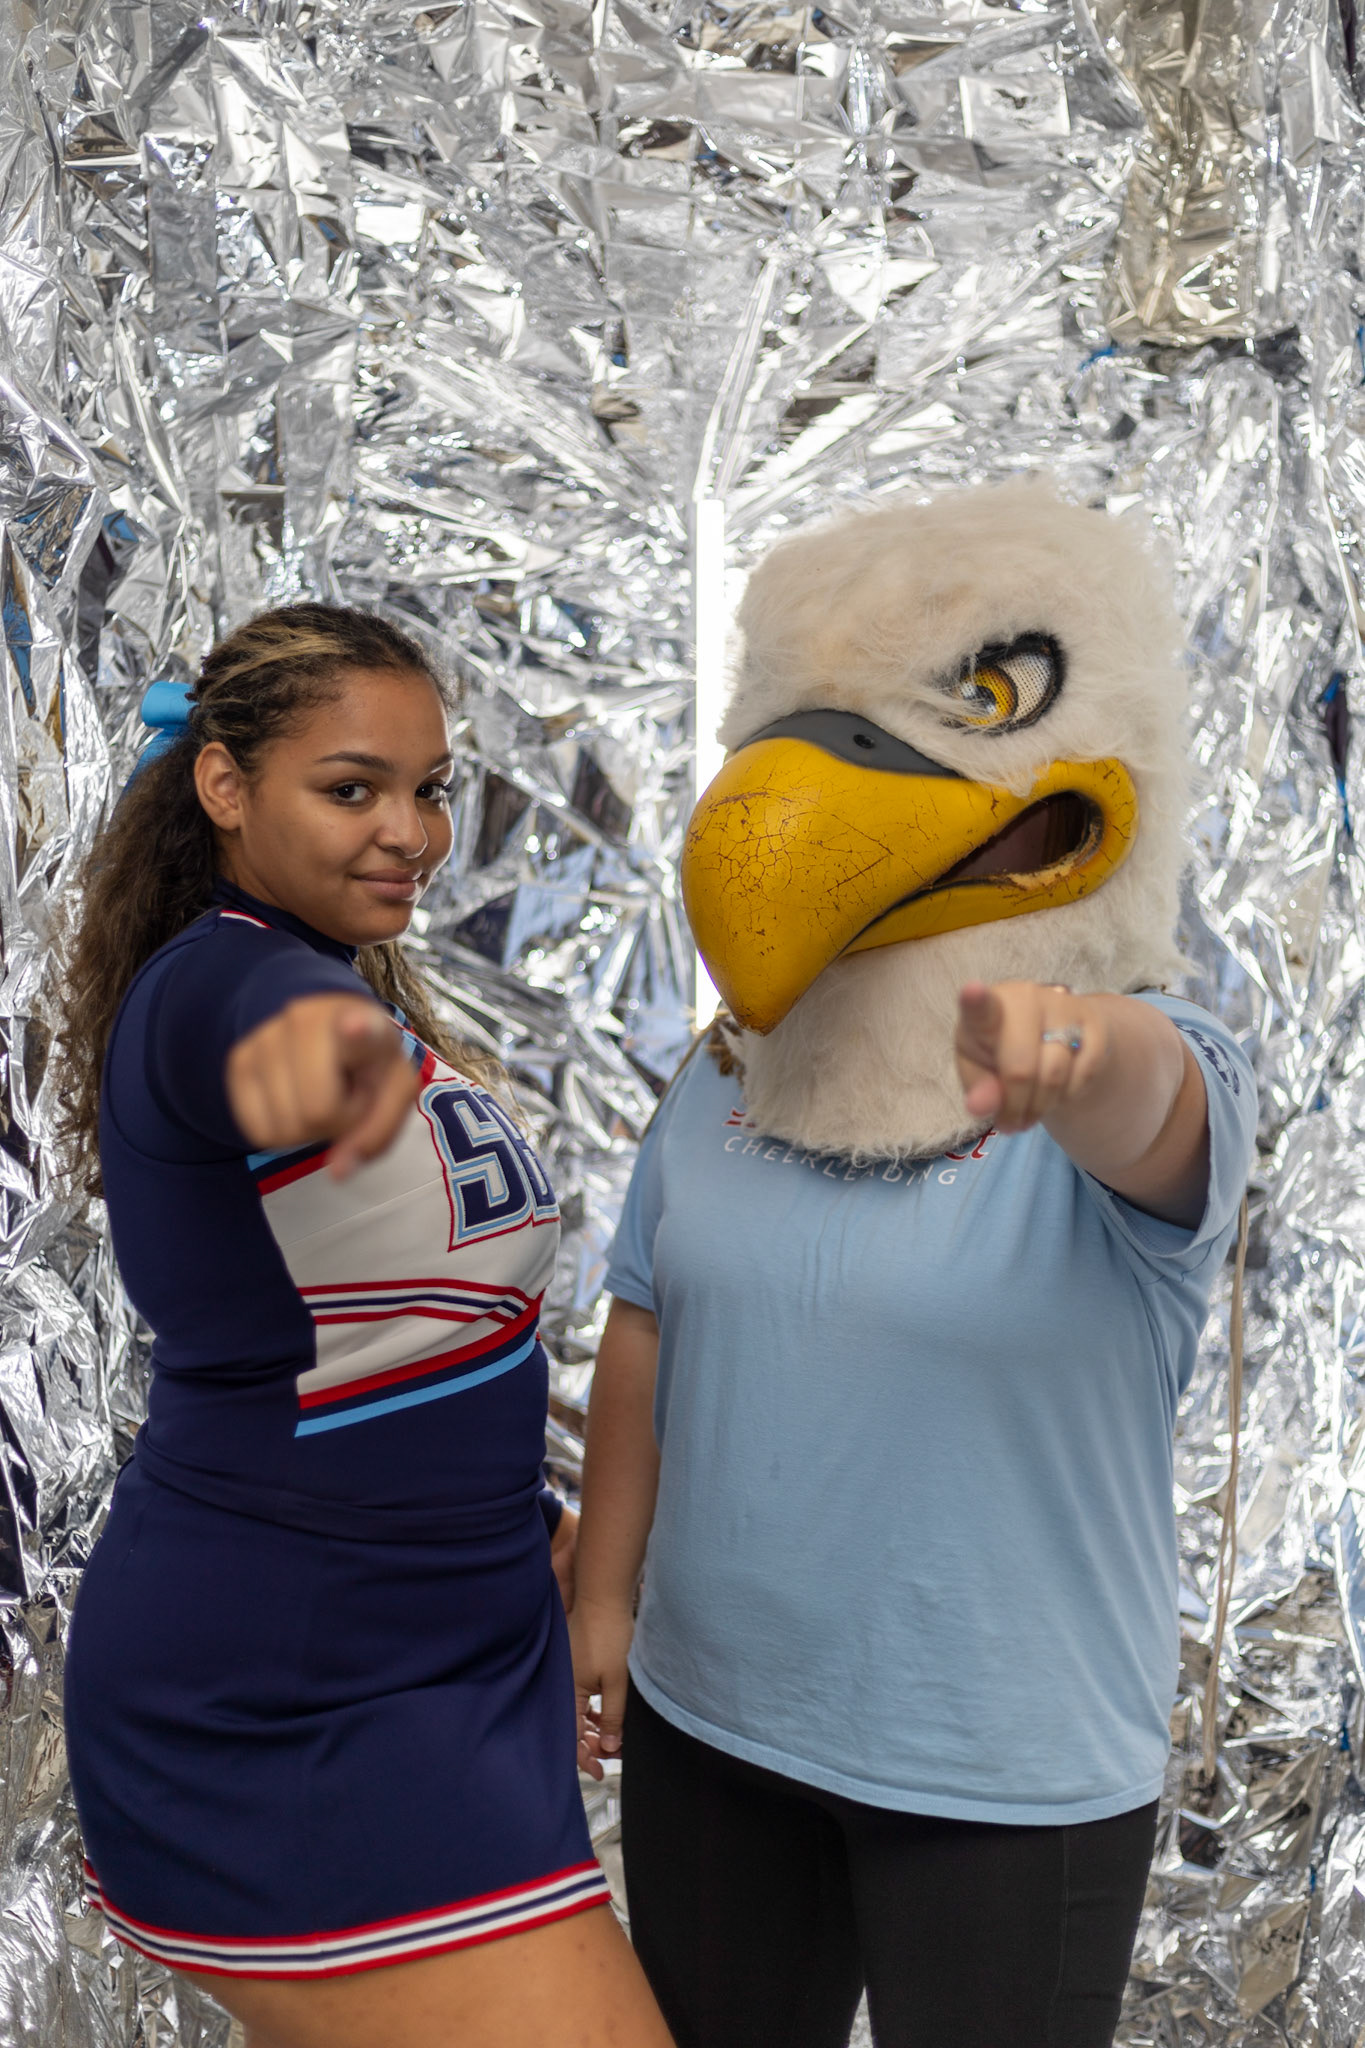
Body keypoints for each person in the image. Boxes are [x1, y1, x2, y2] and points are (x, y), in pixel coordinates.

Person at [570, 481, 1258, 2048]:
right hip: (716, 1726)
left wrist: (1067, 1050)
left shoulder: (1158, 1076)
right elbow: (646, 1327)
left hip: (999, 1777)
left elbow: (1153, 1106)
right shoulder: (727, 1071)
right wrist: (603, 1600)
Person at [57, 605, 672, 2048]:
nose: (408, 830)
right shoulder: (226, 980)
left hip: (447, 1657)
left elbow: (382, 1333)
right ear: (225, 788)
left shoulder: (343, 982)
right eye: (351, 790)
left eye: (431, 788)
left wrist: (524, 1527)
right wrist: (311, 1065)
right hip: (290, 1687)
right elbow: (256, 1038)